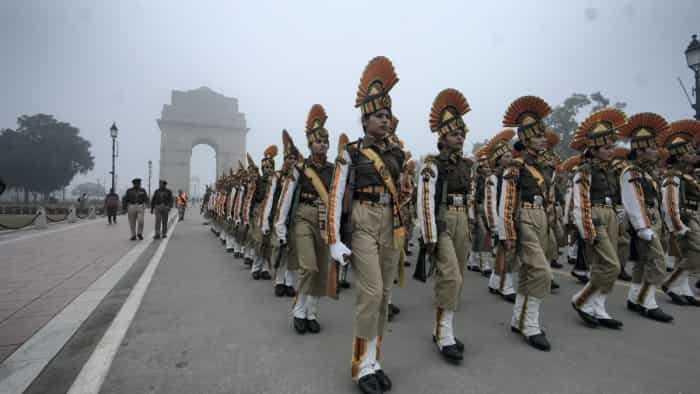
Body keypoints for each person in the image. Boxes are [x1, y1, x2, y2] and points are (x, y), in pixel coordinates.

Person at [328, 56, 405, 394]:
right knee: (371, 292)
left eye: (387, 115)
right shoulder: (352, 152)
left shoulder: (397, 153)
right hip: (362, 218)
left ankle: (375, 360)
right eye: (378, 115)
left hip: (391, 220)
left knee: (385, 295)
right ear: (365, 120)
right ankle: (360, 366)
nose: (385, 121)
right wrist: (333, 238)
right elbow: (334, 195)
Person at [417, 88, 473, 363]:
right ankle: (445, 335)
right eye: (454, 134)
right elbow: (425, 198)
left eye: (462, 133)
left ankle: (441, 328)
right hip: (442, 220)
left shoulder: (467, 165)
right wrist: (429, 235)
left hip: (462, 219)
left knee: (456, 279)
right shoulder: (432, 163)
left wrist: (471, 224)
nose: (459, 137)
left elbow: (471, 196)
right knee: (451, 276)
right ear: (442, 137)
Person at [498, 95, 555, 351]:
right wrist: (507, 233)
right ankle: (530, 325)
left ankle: (517, 318)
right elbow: (507, 203)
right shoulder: (515, 167)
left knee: (529, 272)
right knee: (543, 272)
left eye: (544, 134)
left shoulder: (545, 166)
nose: (545, 138)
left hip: (541, 217)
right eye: (539, 135)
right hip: (524, 218)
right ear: (525, 138)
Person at [276, 106, 335, 334]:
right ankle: (299, 311)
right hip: (302, 216)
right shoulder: (300, 168)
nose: (322, 145)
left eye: (325, 141)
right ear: (310, 144)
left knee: (320, 269)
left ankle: (312, 313)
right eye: (318, 141)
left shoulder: (332, 170)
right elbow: (286, 197)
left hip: (324, 219)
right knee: (308, 266)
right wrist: (280, 225)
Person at [569, 108, 627, 329]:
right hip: (595, 216)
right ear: (593, 150)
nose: (611, 151)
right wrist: (587, 230)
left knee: (605, 266)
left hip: (610, 215)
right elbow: (580, 202)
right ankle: (581, 300)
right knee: (611, 265)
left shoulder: (612, 171)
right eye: (606, 147)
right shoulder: (584, 171)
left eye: (612, 146)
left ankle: (599, 307)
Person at [618, 112, 674, 322]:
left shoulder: (646, 172)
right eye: (651, 147)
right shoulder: (631, 172)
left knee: (643, 263)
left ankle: (634, 298)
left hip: (653, 219)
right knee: (657, 263)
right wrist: (642, 227)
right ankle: (647, 302)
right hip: (644, 221)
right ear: (639, 150)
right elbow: (633, 201)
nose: (655, 151)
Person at [659, 119, 700, 306]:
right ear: (680, 155)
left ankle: (682, 289)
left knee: (685, 257)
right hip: (685, 218)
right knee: (695, 255)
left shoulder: (690, 175)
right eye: (690, 152)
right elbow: (669, 204)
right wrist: (677, 226)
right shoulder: (673, 176)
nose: (695, 155)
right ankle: (670, 283)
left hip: (694, 216)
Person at [483, 129, 517, 302]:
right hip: (500, 220)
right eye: (505, 157)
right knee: (506, 252)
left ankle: (495, 282)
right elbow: (489, 204)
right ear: (497, 160)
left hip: (509, 217)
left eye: (510, 156)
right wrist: (495, 227)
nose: (509, 159)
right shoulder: (493, 178)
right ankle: (505, 286)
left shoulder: (512, 176)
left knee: (504, 253)